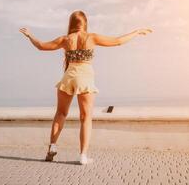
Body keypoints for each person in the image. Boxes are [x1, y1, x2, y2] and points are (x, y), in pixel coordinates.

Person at [19, 10, 152, 165]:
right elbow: (118, 41)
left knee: (60, 114)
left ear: (71, 23)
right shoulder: (91, 37)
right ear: (85, 23)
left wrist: (29, 35)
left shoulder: (65, 39)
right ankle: (83, 156)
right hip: (85, 77)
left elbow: (41, 46)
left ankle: (52, 146)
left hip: (69, 77)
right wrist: (136, 32)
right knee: (85, 117)